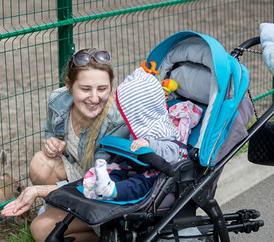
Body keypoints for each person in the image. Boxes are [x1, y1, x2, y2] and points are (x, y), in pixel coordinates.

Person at [1, 48, 130, 242]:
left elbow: (95, 184)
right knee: (40, 162)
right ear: (69, 86)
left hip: (102, 196)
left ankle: (108, 237)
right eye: (86, 89)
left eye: (102, 89)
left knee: (41, 231)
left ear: (110, 86)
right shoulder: (58, 100)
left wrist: (39, 190)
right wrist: (52, 141)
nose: (94, 98)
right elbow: (49, 130)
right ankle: (64, 214)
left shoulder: (115, 122)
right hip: (80, 174)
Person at [82, 66, 202, 201]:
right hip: (136, 166)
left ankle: (112, 191)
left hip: (159, 173)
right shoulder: (140, 128)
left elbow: (173, 151)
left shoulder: (162, 129)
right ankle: (99, 188)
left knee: (139, 184)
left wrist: (150, 144)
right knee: (116, 170)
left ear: (141, 112)